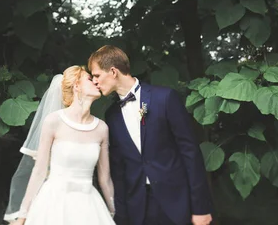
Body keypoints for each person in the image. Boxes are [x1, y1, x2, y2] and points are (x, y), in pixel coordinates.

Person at [89, 45, 213, 225]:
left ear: (113, 71)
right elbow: (119, 170)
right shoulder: (112, 115)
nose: (94, 81)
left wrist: (201, 208)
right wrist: (121, 217)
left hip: (177, 203)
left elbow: (190, 154)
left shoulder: (165, 98)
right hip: (137, 209)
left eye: (97, 75)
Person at [6, 66, 116, 225]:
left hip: (88, 205)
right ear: (77, 86)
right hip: (54, 204)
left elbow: (105, 178)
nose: (96, 82)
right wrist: (22, 217)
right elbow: (39, 171)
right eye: (89, 79)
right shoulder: (53, 121)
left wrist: (112, 212)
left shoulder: (101, 128)